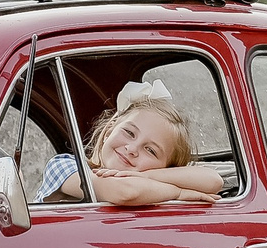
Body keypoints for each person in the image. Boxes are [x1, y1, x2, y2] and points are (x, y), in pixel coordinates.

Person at [39, 81, 221, 205]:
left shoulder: (150, 188)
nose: (132, 149)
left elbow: (214, 181)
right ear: (110, 129)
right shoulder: (64, 166)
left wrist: (147, 176)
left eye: (150, 150)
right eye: (129, 132)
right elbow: (126, 192)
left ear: (166, 168)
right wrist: (179, 193)